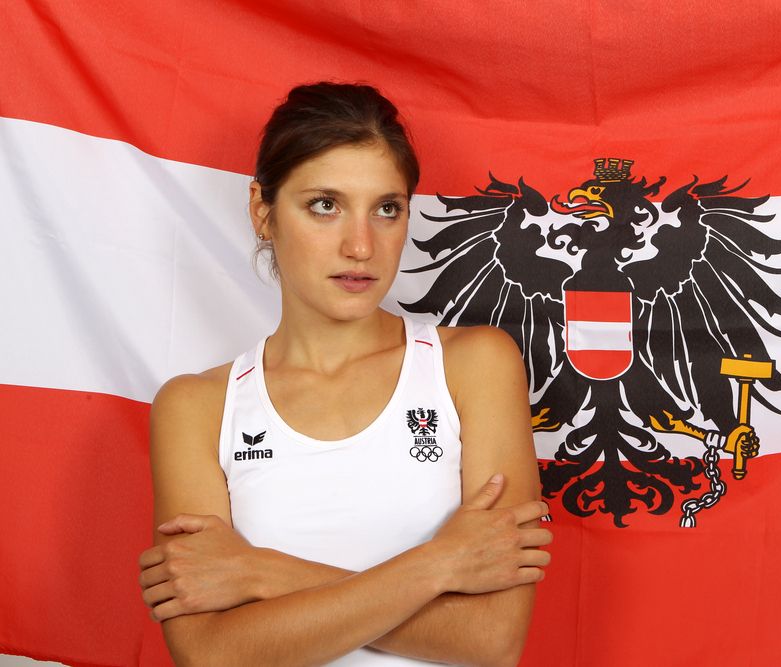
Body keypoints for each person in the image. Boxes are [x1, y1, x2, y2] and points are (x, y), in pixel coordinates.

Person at [137, 82, 551, 667]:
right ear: (262, 211)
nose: (361, 246)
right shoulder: (197, 405)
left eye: (387, 209)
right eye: (325, 205)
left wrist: (262, 572)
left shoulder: (474, 364)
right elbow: (210, 654)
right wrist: (440, 565)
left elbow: (491, 638)